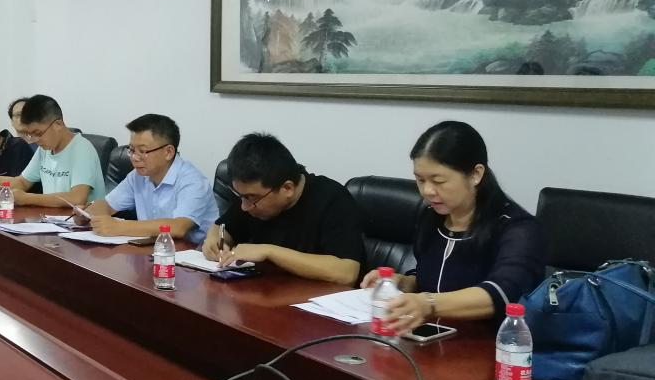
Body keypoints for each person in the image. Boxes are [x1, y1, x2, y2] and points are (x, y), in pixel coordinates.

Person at [364, 121, 546, 334]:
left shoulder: (518, 229)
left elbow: (500, 294)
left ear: (476, 174)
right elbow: (428, 278)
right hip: (427, 340)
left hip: (489, 347)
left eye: (438, 181)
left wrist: (428, 304)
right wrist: (401, 284)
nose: (427, 191)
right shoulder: (431, 217)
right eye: (420, 180)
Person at [203, 133, 364, 285]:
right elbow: (222, 228)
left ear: (287, 188)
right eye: (241, 196)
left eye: (250, 198)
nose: (244, 207)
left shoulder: (332, 199)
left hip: (316, 299)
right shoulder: (253, 198)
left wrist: (269, 252)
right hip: (267, 292)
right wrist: (214, 241)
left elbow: (346, 273)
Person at [84, 114, 218, 246]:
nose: (135, 158)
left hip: (192, 254)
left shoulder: (192, 181)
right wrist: (89, 214)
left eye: (142, 151)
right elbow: (107, 205)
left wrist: (118, 226)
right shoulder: (137, 176)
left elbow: (178, 227)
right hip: (152, 249)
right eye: (131, 150)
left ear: (168, 152)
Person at [0, 95, 104, 206]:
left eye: (38, 133)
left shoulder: (82, 149)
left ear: (58, 125)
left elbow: (77, 198)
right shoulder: (45, 149)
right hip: (52, 218)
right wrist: (5, 190)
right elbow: (23, 182)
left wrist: (27, 198)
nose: (33, 141)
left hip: (80, 220)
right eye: (30, 135)